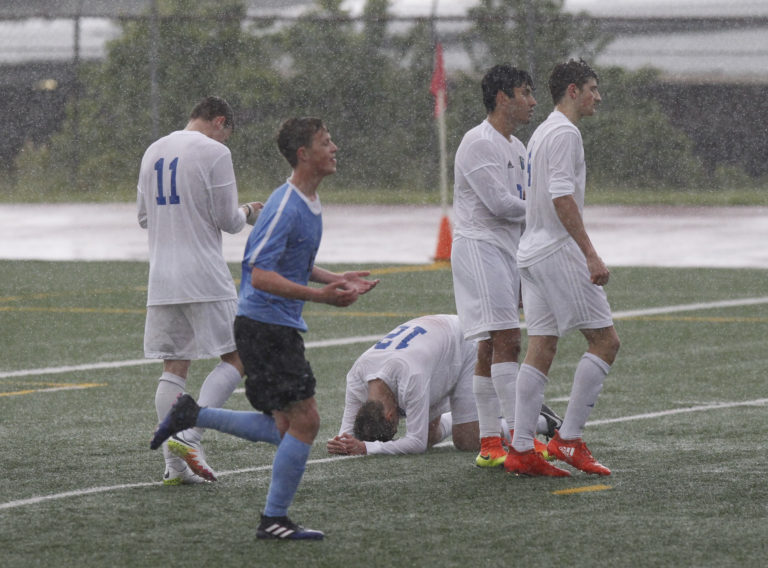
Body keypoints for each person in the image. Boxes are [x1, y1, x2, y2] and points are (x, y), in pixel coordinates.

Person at [152, 117, 379, 540]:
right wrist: (322, 297)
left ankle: (193, 414)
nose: (335, 149)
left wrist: (335, 278)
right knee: (306, 421)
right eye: (326, 143)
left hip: (273, 324)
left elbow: (292, 262)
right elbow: (259, 274)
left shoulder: (309, 201)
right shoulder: (286, 204)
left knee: (284, 428)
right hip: (266, 327)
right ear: (303, 154)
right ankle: (273, 519)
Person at [504, 59, 621, 477]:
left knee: (542, 345)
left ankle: (520, 448)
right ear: (573, 91)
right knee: (605, 342)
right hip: (555, 251)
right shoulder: (566, 132)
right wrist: (589, 252)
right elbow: (561, 198)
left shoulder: (541, 132)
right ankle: (568, 440)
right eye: (592, 87)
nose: (598, 96)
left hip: (531, 252)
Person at [137, 96, 262, 486]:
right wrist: (249, 211)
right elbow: (228, 220)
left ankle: (174, 468)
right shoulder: (215, 151)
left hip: (162, 276)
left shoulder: (153, 149)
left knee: (174, 365)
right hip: (203, 273)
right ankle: (190, 435)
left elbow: (143, 217)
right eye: (228, 131)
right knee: (238, 355)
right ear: (220, 122)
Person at [450, 64, 541, 468]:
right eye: (525, 93)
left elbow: (516, 213)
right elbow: (500, 205)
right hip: (479, 248)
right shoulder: (477, 142)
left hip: (507, 252)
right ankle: (522, 442)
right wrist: (549, 210)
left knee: (490, 345)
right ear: (502, 97)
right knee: (509, 341)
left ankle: (490, 443)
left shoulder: (518, 148)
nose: (532, 102)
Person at [326, 314, 562, 457]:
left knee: (467, 441)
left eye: (395, 425)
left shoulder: (410, 378)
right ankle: (465, 416)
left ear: (390, 415)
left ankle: (541, 420)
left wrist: (368, 448)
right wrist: (342, 443)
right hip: (434, 346)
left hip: (461, 346)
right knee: (428, 435)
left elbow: (415, 444)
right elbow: (346, 432)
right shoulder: (357, 377)